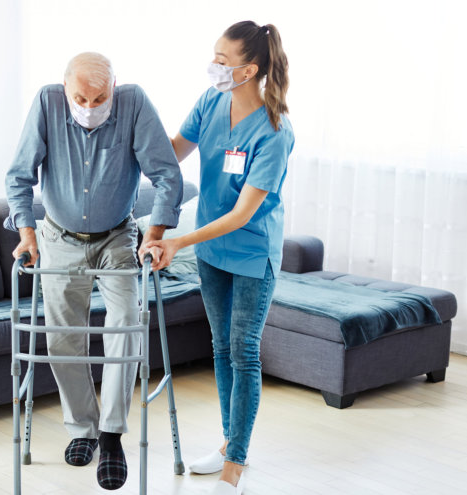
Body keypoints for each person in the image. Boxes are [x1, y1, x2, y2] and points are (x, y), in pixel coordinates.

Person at [4, 52, 183, 490]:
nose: (90, 104)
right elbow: (18, 176)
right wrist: (27, 235)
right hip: (58, 237)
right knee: (63, 336)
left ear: (114, 86)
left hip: (118, 237)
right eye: (81, 97)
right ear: (65, 89)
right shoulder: (47, 103)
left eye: (100, 96)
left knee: (126, 325)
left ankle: (112, 434)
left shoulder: (133, 103)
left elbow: (167, 174)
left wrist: (153, 235)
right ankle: (82, 429)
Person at [146, 21, 294, 495]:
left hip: (252, 252)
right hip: (212, 251)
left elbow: (242, 213)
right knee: (222, 348)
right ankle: (230, 442)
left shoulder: (274, 131)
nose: (214, 67)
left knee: (244, 349)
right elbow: (173, 153)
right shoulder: (211, 101)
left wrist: (177, 242)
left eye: (223, 61)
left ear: (249, 70)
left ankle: (236, 462)